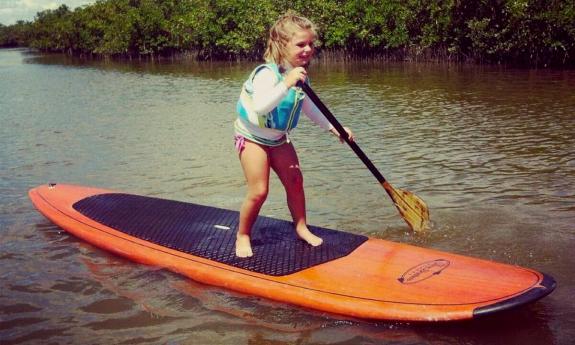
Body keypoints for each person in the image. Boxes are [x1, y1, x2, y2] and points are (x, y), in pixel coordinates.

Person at [234, 12, 354, 258]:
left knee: (296, 182)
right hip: (252, 137)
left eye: (311, 44)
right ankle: (243, 235)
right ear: (281, 45)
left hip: (278, 138)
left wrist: (335, 128)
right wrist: (286, 82)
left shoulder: (297, 74)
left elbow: (309, 106)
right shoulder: (268, 74)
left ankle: (301, 227)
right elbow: (260, 107)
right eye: (300, 44)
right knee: (259, 191)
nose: (308, 49)